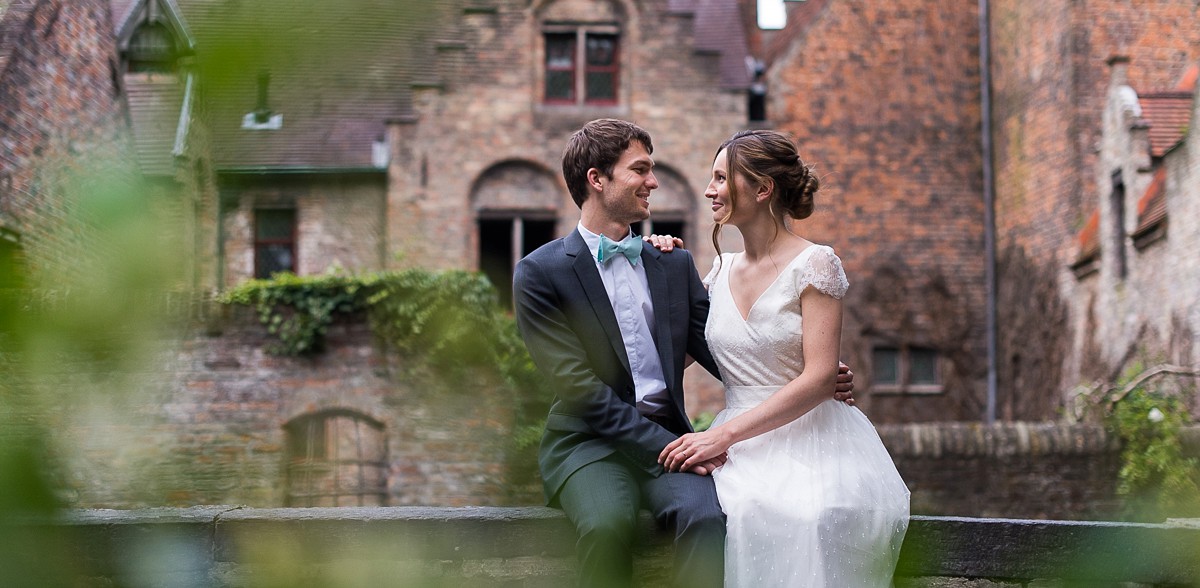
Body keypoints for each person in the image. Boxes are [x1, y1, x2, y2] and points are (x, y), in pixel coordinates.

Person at [511, 119, 854, 588]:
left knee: (710, 520)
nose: (654, 181)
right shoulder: (539, 273)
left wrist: (809, 377)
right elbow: (580, 392)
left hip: (673, 439)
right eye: (641, 170)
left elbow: (724, 348)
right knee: (608, 525)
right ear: (597, 179)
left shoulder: (670, 262)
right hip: (588, 444)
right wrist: (680, 448)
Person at [658, 130, 910, 587]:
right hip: (736, 447)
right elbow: (674, 358)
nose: (710, 190)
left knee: (809, 516)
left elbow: (818, 378)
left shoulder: (816, 264)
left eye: (720, 178)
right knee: (729, 515)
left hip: (811, 440)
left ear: (761, 188)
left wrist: (723, 437)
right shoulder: (718, 272)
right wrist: (656, 264)